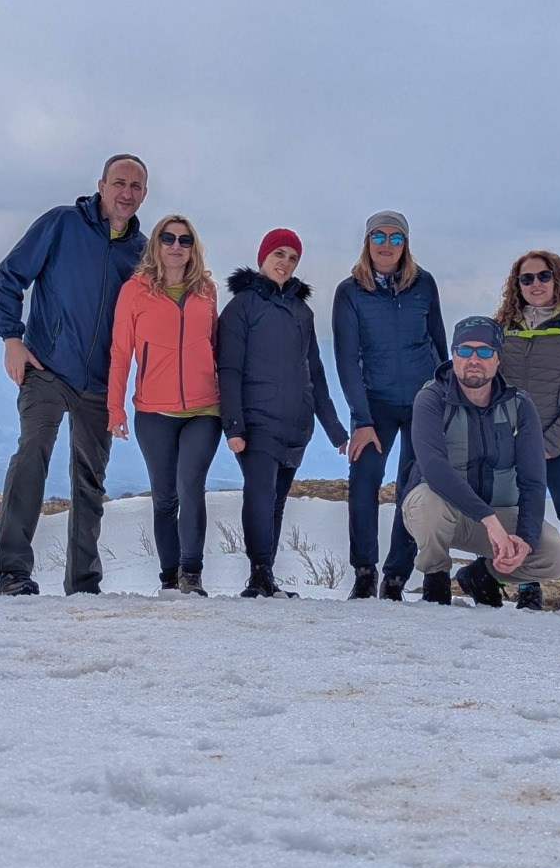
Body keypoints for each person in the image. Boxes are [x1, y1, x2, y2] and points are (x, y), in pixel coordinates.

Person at [0, 155, 149, 596]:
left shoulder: (143, 252)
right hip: (47, 366)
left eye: (135, 186)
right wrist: (11, 338)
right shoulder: (62, 224)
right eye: (119, 183)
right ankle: (13, 573)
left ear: (144, 194)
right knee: (33, 452)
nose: (126, 193)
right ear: (101, 185)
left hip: (100, 382)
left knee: (90, 480)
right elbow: (9, 277)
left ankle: (83, 584)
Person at [400, 316, 560, 607]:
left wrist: (525, 538)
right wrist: (488, 519)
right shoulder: (431, 398)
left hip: (498, 515)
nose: (474, 359)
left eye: (484, 351)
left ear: (498, 358)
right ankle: (436, 580)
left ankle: (483, 575)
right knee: (429, 504)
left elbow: (532, 480)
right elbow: (433, 467)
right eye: (464, 350)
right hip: (445, 512)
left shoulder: (519, 405)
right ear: (453, 355)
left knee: (556, 556)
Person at [217, 229, 349, 598]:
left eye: (292, 258)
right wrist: (233, 426)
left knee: (275, 501)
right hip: (256, 422)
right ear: (263, 257)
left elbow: (315, 372)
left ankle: (267, 576)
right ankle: (258, 572)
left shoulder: (302, 312)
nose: (285, 262)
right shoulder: (241, 307)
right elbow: (228, 369)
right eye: (279, 254)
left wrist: (334, 429)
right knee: (259, 495)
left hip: (297, 424)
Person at [332, 211, 447, 600]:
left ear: (405, 244)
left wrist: (446, 397)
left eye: (395, 238)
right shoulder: (350, 292)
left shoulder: (424, 284)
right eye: (378, 236)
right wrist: (361, 420)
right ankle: (364, 572)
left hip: (423, 403)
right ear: (367, 242)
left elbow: (438, 344)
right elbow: (347, 360)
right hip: (374, 405)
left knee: (413, 489)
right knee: (364, 482)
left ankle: (396, 577)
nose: (386, 244)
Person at [107, 214, 222, 597]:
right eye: (168, 238)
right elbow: (120, 352)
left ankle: (192, 573)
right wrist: (115, 408)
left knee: (190, 485)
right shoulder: (134, 291)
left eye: (184, 240)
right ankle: (169, 576)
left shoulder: (206, 291)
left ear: (193, 248)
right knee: (164, 497)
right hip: (153, 412)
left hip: (204, 409)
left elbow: (216, 346)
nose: (176, 246)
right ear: (156, 244)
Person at [493, 249, 560, 611]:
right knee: (520, 514)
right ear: (517, 285)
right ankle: (528, 585)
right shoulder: (503, 327)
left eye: (543, 276)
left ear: (557, 280)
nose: (535, 284)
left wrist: (552, 442)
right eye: (526, 278)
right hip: (512, 441)